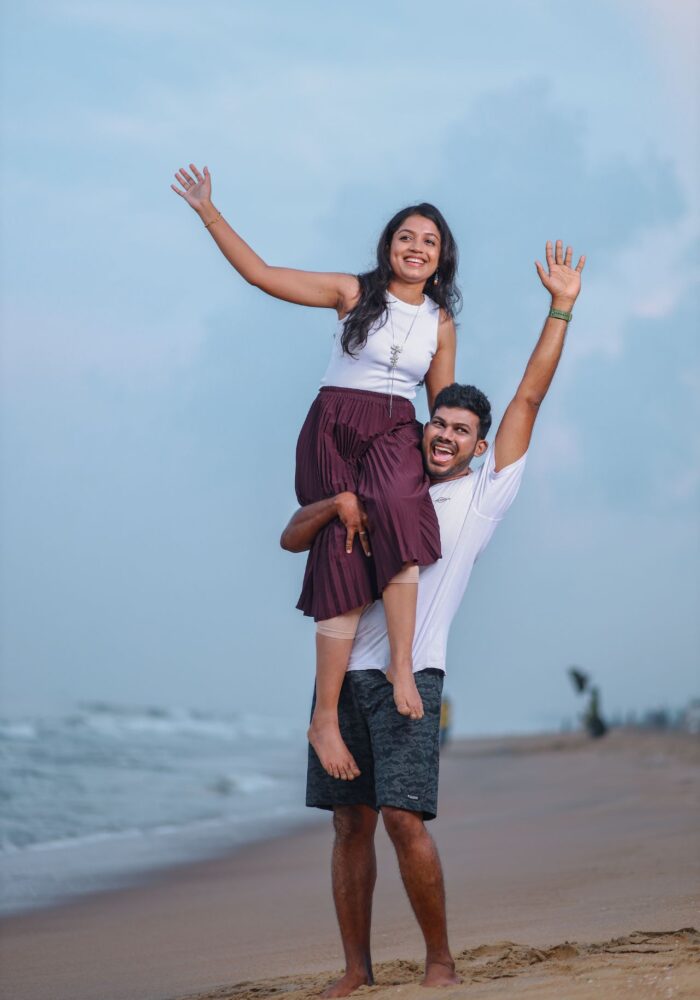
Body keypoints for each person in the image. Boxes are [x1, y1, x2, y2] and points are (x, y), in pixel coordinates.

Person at [280, 239, 585, 993]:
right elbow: (298, 534)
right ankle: (356, 971)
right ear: (424, 427)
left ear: (479, 449)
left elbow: (528, 399)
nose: (444, 435)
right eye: (437, 424)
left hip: (413, 673)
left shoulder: (481, 497)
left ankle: (441, 962)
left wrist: (561, 309)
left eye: (460, 432)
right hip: (343, 676)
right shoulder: (393, 482)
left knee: (401, 819)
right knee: (348, 823)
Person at [171, 166, 460, 783]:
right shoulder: (352, 292)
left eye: (428, 242)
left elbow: (441, 406)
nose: (415, 247)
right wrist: (208, 212)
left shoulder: (440, 323)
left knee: (402, 516)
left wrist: (462, 454)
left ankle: (401, 663)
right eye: (406, 236)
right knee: (342, 547)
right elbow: (262, 274)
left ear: (439, 261)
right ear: (389, 248)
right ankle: (323, 717)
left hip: (394, 429)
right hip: (334, 424)